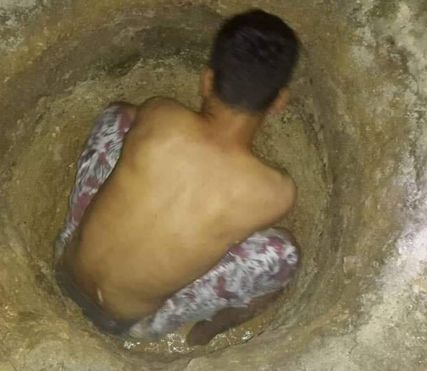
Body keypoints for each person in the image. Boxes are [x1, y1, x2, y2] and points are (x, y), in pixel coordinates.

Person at [54, 9, 300, 346]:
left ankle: (75, 225)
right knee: (283, 253)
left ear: (207, 80)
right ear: (279, 103)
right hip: (127, 321)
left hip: (65, 268)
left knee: (120, 116)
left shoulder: (160, 114)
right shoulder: (275, 193)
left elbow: (139, 131)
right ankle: (212, 326)